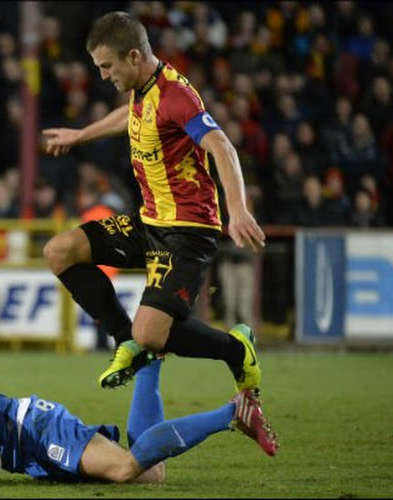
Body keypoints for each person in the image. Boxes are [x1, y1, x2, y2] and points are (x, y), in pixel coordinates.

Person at [41, 11, 266, 391]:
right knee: (59, 251)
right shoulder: (143, 91)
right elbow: (128, 116)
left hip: (188, 231)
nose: (103, 75)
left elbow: (222, 146)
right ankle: (123, 338)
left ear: (133, 56)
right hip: (150, 222)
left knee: (153, 335)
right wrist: (81, 135)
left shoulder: (177, 96)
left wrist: (238, 208)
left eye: (107, 65)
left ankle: (235, 350)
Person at [0, 359, 278, 488]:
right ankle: (149, 363)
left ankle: (232, 414)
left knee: (124, 468)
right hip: (28, 460)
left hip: (32, 428)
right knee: (149, 472)